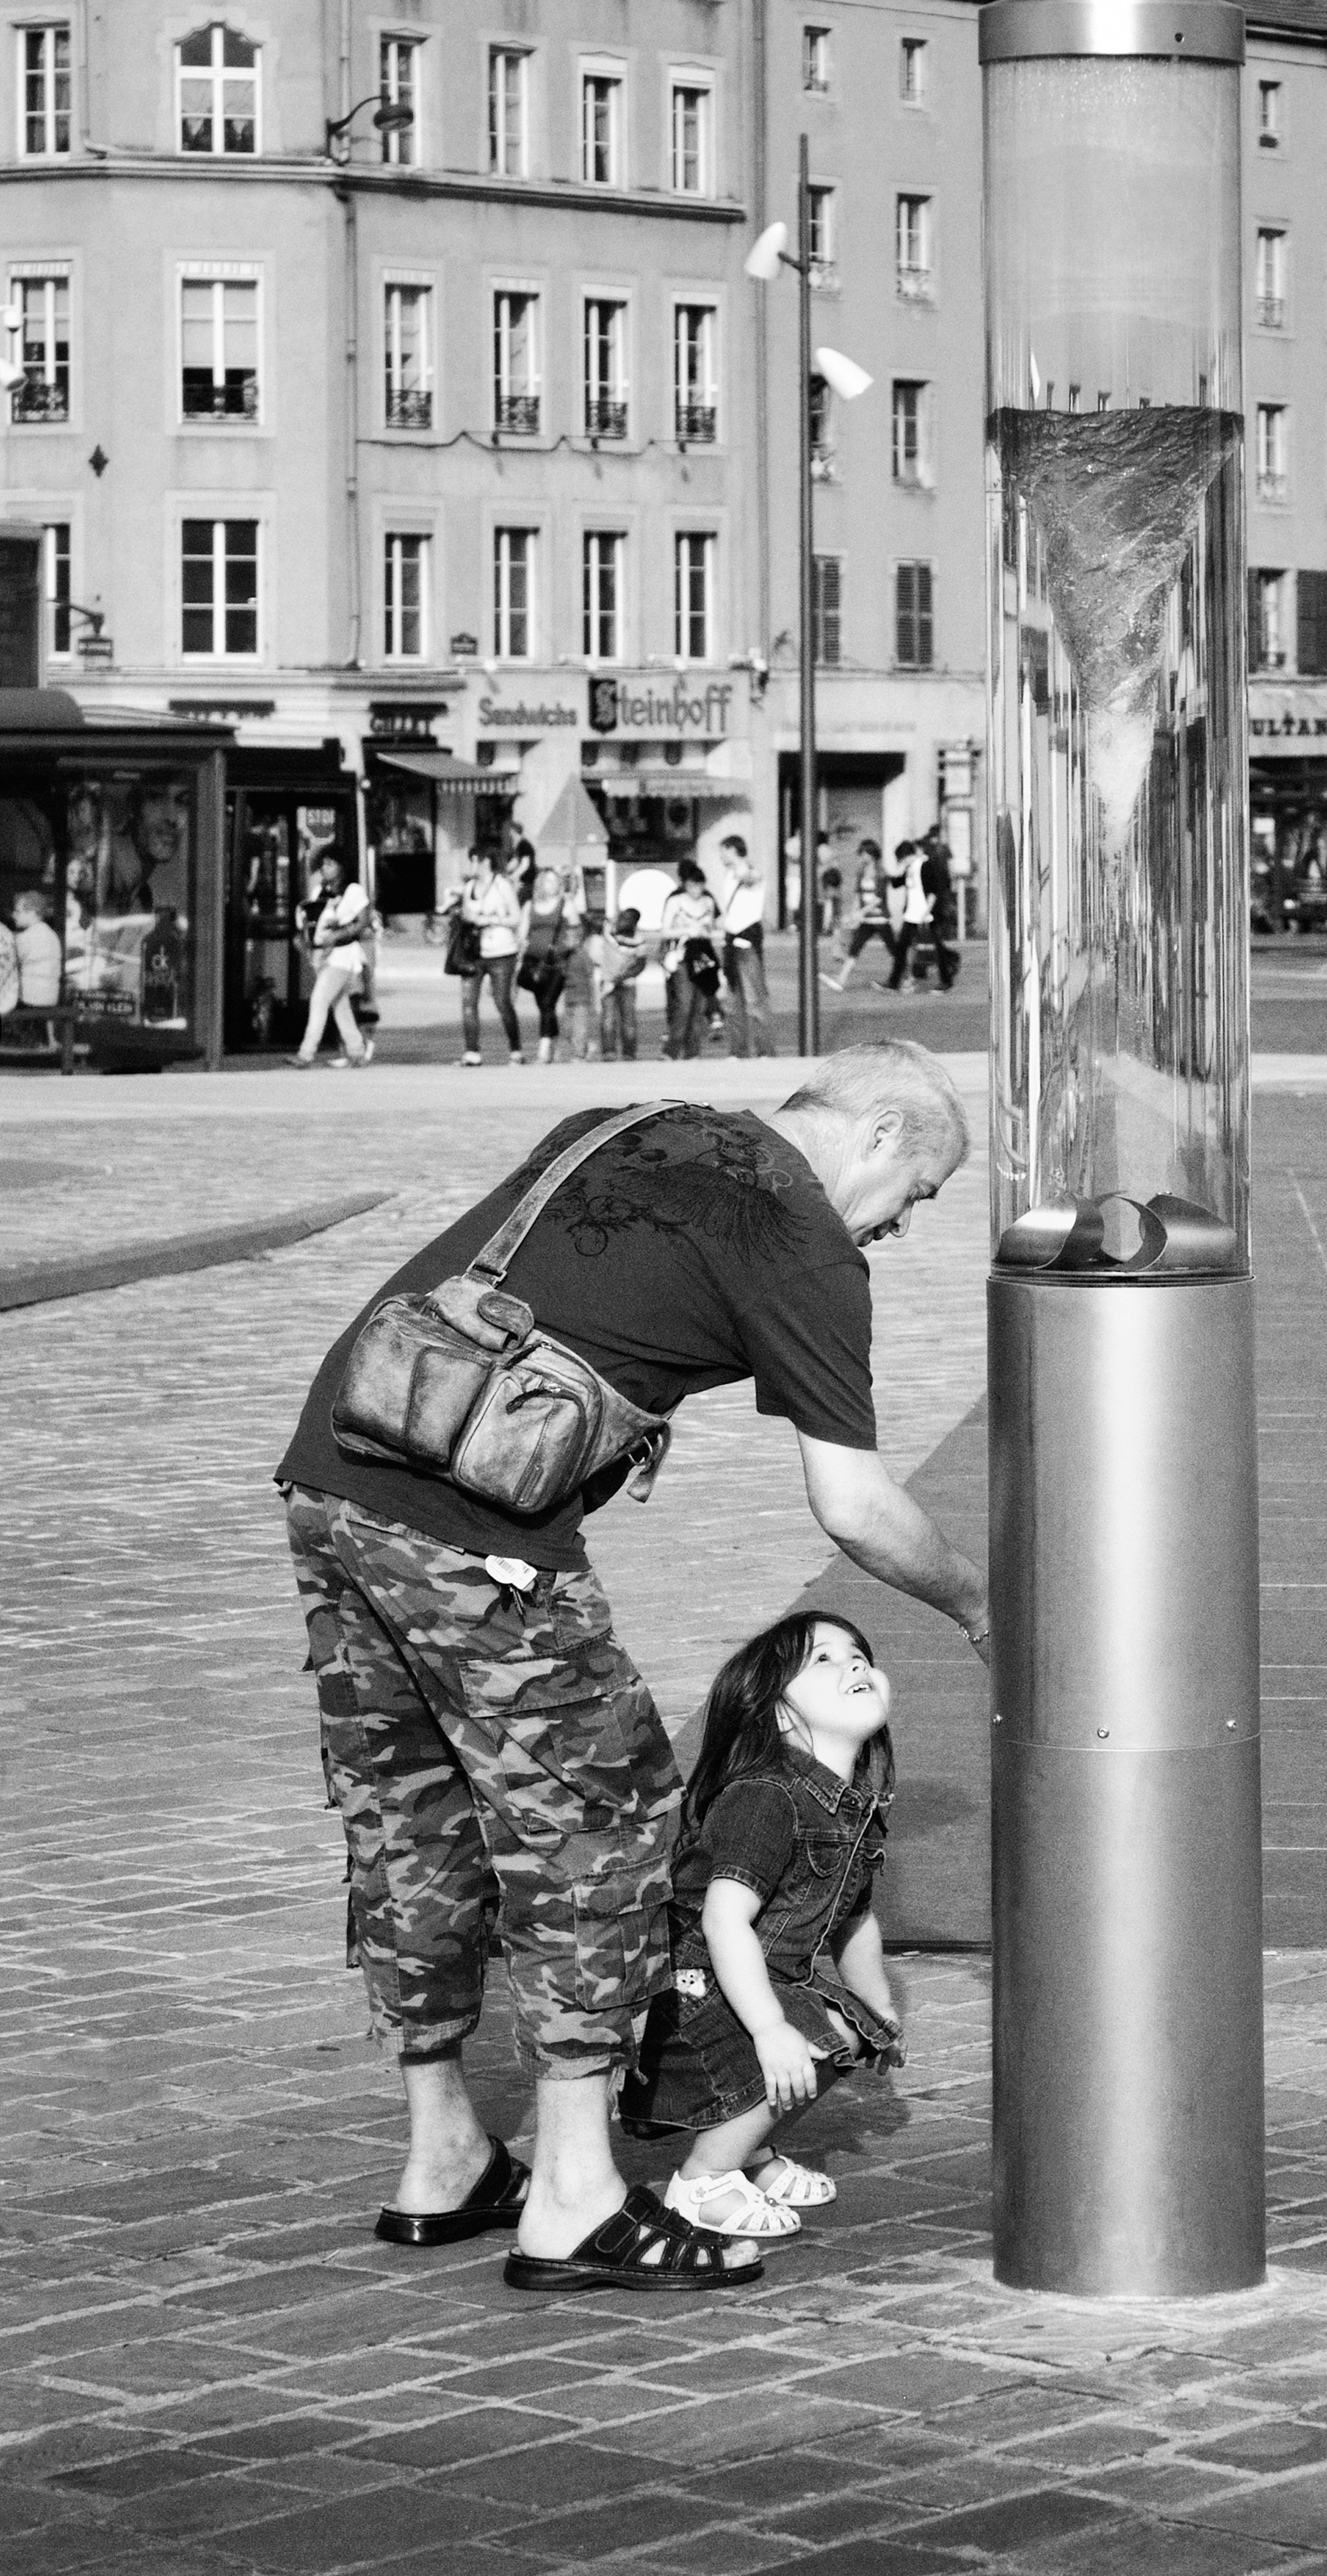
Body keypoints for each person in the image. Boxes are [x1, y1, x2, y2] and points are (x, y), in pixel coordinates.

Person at [277, 1040, 988, 2296]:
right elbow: (856, 1505)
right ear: (876, 1134)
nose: (899, 1226)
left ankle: (443, 2153)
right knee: (604, 1830)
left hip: (337, 1468)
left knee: (412, 1815)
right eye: (916, 1193)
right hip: (475, 1532)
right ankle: (574, 2200)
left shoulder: (633, 1118)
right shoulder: (799, 1227)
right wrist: (982, 1604)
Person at [620, 1612, 901, 2240]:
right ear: (776, 1714)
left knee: (852, 2028)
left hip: (751, 1979)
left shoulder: (852, 1807)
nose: (853, 1663)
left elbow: (853, 1918)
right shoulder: (766, 1797)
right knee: (818, 2037)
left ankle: (749, 2154)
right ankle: (704, 2182)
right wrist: (771, 2026)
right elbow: (723, 1920)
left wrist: (881, 2007)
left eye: (857, 1652)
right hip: (699, 1986)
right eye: (822, 1659)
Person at [291, 851, 376, 1069]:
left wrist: (338, 935)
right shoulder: (320, 892)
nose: (324, 869)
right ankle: (357, 1051)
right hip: (322, 956)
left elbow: (363, 922)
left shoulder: (354, 891)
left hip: (343, 956)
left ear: (342, 867)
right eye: (323, 865)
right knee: (340, 1006)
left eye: (330, 863)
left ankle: (306, 1054)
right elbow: (311, 919)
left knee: (319, 1001)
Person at [446, 844, 527, 1066]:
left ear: (486, 863)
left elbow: (516, 917)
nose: (471, 865)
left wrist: (489, 920)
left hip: (501, 952)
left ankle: (516, 1051)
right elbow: (466, 914)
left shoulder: (502, 885)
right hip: (473, 953)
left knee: (502, 1002)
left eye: (474, 861)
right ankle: (472, 1052)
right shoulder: (470, 886)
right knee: (468, 1002)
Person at [716, 833, 775, 1058]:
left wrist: (743, 869)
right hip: (731, 939)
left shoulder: (749, 872)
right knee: (734, 999)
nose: (721, 856)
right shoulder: (730, 875)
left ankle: (764, 1051)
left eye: (723, 851)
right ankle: (737, 1051)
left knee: (755, 999)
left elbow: (752, 878)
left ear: (732, 850)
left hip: (747, 939)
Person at [660, 857, 723, 1063]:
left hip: (704, 956)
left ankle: (693, 1050)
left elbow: (715, 928)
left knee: (699, 1005)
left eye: (700, 885)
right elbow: (665, 931)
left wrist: (707, 932)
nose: (697, 889)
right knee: (685, 1004)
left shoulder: (708, 902)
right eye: (693, 885)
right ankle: (672, 1050)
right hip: (683, 957)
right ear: (686, 885)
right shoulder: (675, 901)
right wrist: (687, 930)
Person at [823, 839, 897, 995]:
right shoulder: (861, 871)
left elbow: (879, 898)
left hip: (880, 919)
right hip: (867, 920)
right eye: (862, 853)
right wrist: (854, 914)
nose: (863, 856)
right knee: (854, 949)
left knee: (894, 950)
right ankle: (841, 980)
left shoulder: (881, 872)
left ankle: (905, 976)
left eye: (865, 853)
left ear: (872, 854)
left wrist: (861, 912)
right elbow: (858, 895)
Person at [519, 866, 577, 1064]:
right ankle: (555, 1044)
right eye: (548, 881)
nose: (552, 885)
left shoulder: (565, 904)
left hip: (557, 964)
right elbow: (522, 934)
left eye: (555, 882)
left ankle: (544, 1051)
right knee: (545, 1006)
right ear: (541, 883)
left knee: (547, 1004)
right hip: (533, 963)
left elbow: (576, 930)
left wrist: (565, 948)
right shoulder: (531, 905)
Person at [593, 903, 648, 1061]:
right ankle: (608, 1052)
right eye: (621, 918)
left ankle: (629, 1053)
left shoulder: (639, 940)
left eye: (627, 920)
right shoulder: (608, 929)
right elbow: (591, 921)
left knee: (628, 1019)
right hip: (607, 979)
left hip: (626, 982)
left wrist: (619, 979)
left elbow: (640, 965)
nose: (622, 922)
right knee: (608, 1018)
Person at [885, 842, 930, 993]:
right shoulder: (910, 868)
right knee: (904, 948)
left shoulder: (923, 866)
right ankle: (896, 982)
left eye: (901, 859)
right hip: (911, 914)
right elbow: (896, 883)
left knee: (919, 948)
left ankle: (908, 979)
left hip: (923, 915)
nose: (901, 863)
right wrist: (900, 869)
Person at [921, 830, 962, 992]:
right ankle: (950, 959)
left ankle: (946, 979)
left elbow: (940, 885)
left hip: (936, 907)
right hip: (936, 905)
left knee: (935, 943)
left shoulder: (934, 862)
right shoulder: (936, 859)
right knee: (933, 942)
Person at [561, 910, 602, 1063]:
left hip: (582, 999)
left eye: (569, 939)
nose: (566, 942)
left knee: (580, 1029)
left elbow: (591, 978)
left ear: (578, 940)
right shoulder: (564, 957)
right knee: (567, 1030)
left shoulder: (584, 956)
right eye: (565, 939)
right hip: (569, 998)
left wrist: (594, 999)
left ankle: (579, 1055)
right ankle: (589, 1046)